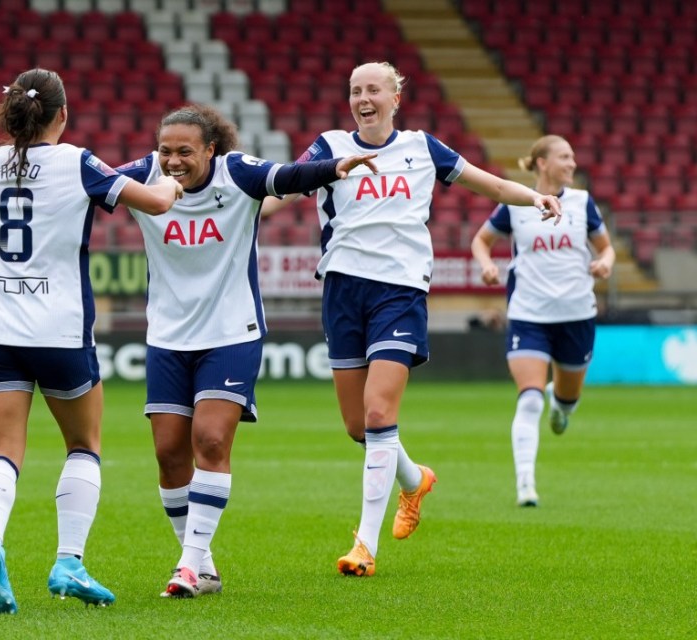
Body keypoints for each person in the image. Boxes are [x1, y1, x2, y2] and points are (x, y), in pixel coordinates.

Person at [261, 61, 563, 577]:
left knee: (380, 415)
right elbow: (281, 192)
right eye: (355, 90)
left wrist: (533, 196)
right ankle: (414, 479)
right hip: (341, 290)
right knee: (359, 426)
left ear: (395, 97)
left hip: (399, 292)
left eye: (373, 89)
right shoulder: (330, 146)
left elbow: (487, 186)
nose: (363, 98)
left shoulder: (423, 148)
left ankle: (365, 546)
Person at [113, 104, 379, 598]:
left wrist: (334, 167)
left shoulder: (237, 173)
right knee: (169, 454)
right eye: (166, 150)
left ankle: (188, 566)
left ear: (211, 149)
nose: (172, 161)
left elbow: (289, 175)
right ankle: (204, 564)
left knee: (211, 441)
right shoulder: (142, 176)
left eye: (185, 151)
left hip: (231, 332)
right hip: (167, 337)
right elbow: (82, 185)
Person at [0, 68, 183, 614]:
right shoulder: (79, 161)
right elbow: (155, 202)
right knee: (84, 445)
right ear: (62, 115)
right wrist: (170, 181)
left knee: (3, 451)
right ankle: (68, 561)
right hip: (58, 330)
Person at [470, 134, 614, 507]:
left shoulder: (583, 203)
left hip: (577, 314)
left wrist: (605, 263)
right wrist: (487, 265)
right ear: (542, 163)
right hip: (528, 315)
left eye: (572, 157)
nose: (572, 163)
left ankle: (561, 406)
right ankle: (525, 484)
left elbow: (606, 247)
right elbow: (481, 241)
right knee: (529, 398)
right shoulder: (518, 204)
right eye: (565, 157)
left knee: (566, 400)